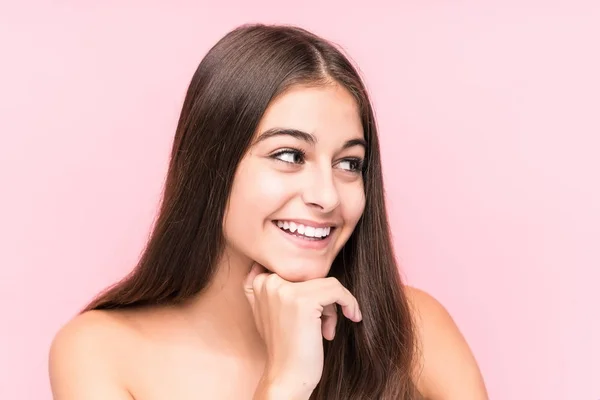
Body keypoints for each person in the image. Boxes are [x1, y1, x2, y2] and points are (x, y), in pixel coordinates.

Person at [48, 24, 488, 399]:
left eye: (349, 163)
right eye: (290, 155)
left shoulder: (414, 328)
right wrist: (285, 383)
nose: (327, 196)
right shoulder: (101, 351)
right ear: (211, 165)